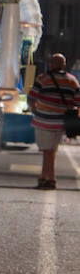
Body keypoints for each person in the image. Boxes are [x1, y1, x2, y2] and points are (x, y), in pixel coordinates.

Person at [28, 52, 79, 190]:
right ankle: (46, 177)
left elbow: (32, 97)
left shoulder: (43, 78)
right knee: (52, 151)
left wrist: (35, 111)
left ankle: (48, 178)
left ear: (51, 64)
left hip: (44, 120)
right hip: (61, 122)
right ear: (63, 65)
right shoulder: (72, 81)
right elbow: (77, 102)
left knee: (47, 151)